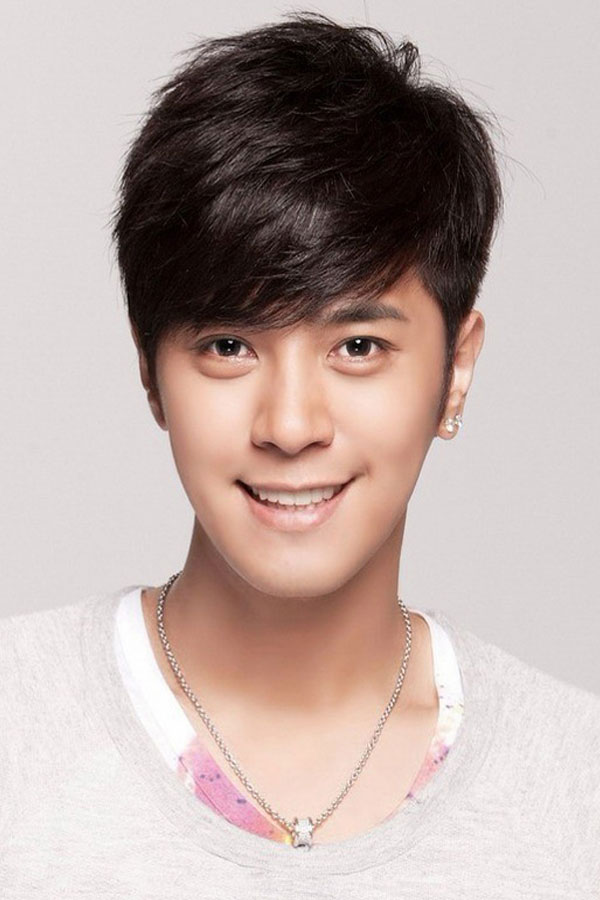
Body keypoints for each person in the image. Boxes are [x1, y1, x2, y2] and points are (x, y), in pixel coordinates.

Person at [1, 11, 598, 897]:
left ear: (456, 370)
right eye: (229, 345)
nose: (289, 425)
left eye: (358, 346)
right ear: (149, 369)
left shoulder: (576, 786)